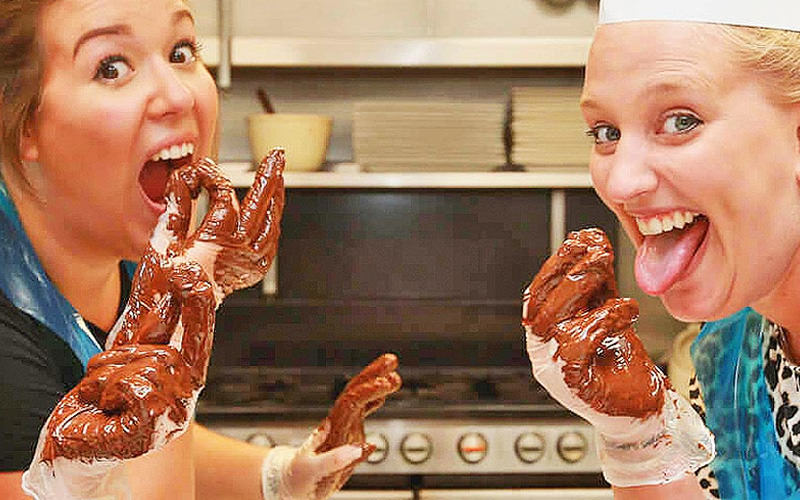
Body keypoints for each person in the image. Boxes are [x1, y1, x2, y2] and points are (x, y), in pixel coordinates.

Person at [0, 0, 400, 498]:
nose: (176, 94)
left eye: (181, 51)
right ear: (22, 125)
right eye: (111, 66)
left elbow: (120, 447)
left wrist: (276, 476)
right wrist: (171, 343)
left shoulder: (117, 263)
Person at [523, 1, 800, 499]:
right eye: (605, 133)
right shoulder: (728, 355)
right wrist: (639, 440)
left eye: (681, 121)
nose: (623, 183)